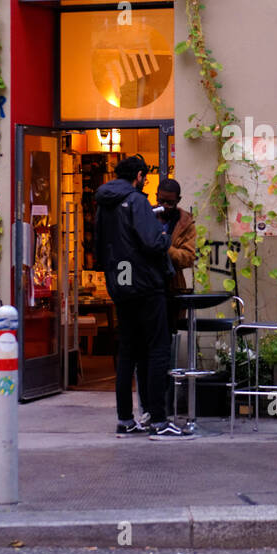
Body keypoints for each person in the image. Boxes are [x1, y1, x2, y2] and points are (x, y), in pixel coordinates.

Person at [93, 155, 190, 438]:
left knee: (127, 353)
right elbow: (152, 241)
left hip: (120, 286)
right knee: (157, 349)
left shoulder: (103, 205)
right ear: (137, 175)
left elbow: (99, 249)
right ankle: (159, 420)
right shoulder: (136, 201)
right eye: (144, 177)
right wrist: (162, 236)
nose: (145, 182)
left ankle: (125, 419)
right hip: (146, 286)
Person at [153, 178, 196, 419]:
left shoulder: (186, 222)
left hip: (171, 290)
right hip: (149, 288)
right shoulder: (147, 215)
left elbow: (188, 257)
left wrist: (163, 247)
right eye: (160, 200)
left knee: (167, 348)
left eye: (169, 202)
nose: (164, 206)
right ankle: (155, 408)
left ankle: (166, 409)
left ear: (178, 201)